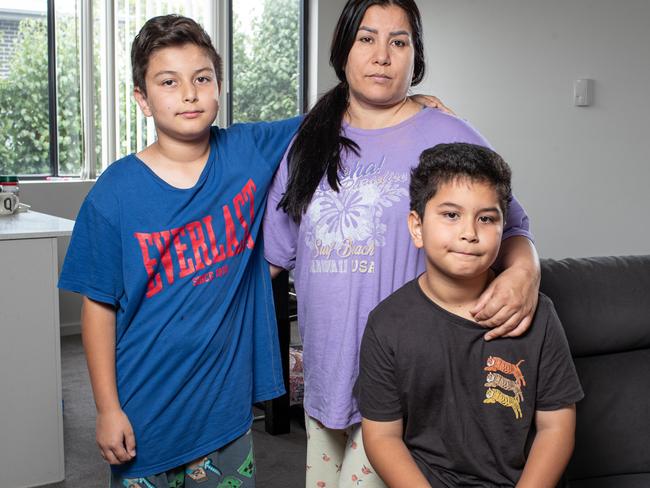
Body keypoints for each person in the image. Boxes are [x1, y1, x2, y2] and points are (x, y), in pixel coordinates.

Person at [263, 0, 541, 486]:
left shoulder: (448, 134)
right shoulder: (309, 138)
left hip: (410, 380)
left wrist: (524, 271)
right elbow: (273, 255)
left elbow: (512, 226)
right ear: (343, 48)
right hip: (326, 375)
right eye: (366, 39)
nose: (382, 56)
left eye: (399, 42)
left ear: (417, 56)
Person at [58, 15, 303, 487]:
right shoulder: (114, 195)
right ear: (142, 100)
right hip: (145, 408)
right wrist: (107, 409)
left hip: (225, 410)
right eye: (168, 82)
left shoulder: (247, 151)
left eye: (202, 78)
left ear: (218, 87)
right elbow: (97, 308)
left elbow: (334, 117)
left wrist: (411, 104)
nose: (189, 93)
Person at [357, 142, 584, 487]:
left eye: (486, 218)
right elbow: (382, 437)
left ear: (504, 227)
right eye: (451, 215)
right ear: (417, 227)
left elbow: (556, 427)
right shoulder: (387, 324)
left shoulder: (538, 314)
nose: (469, 233)